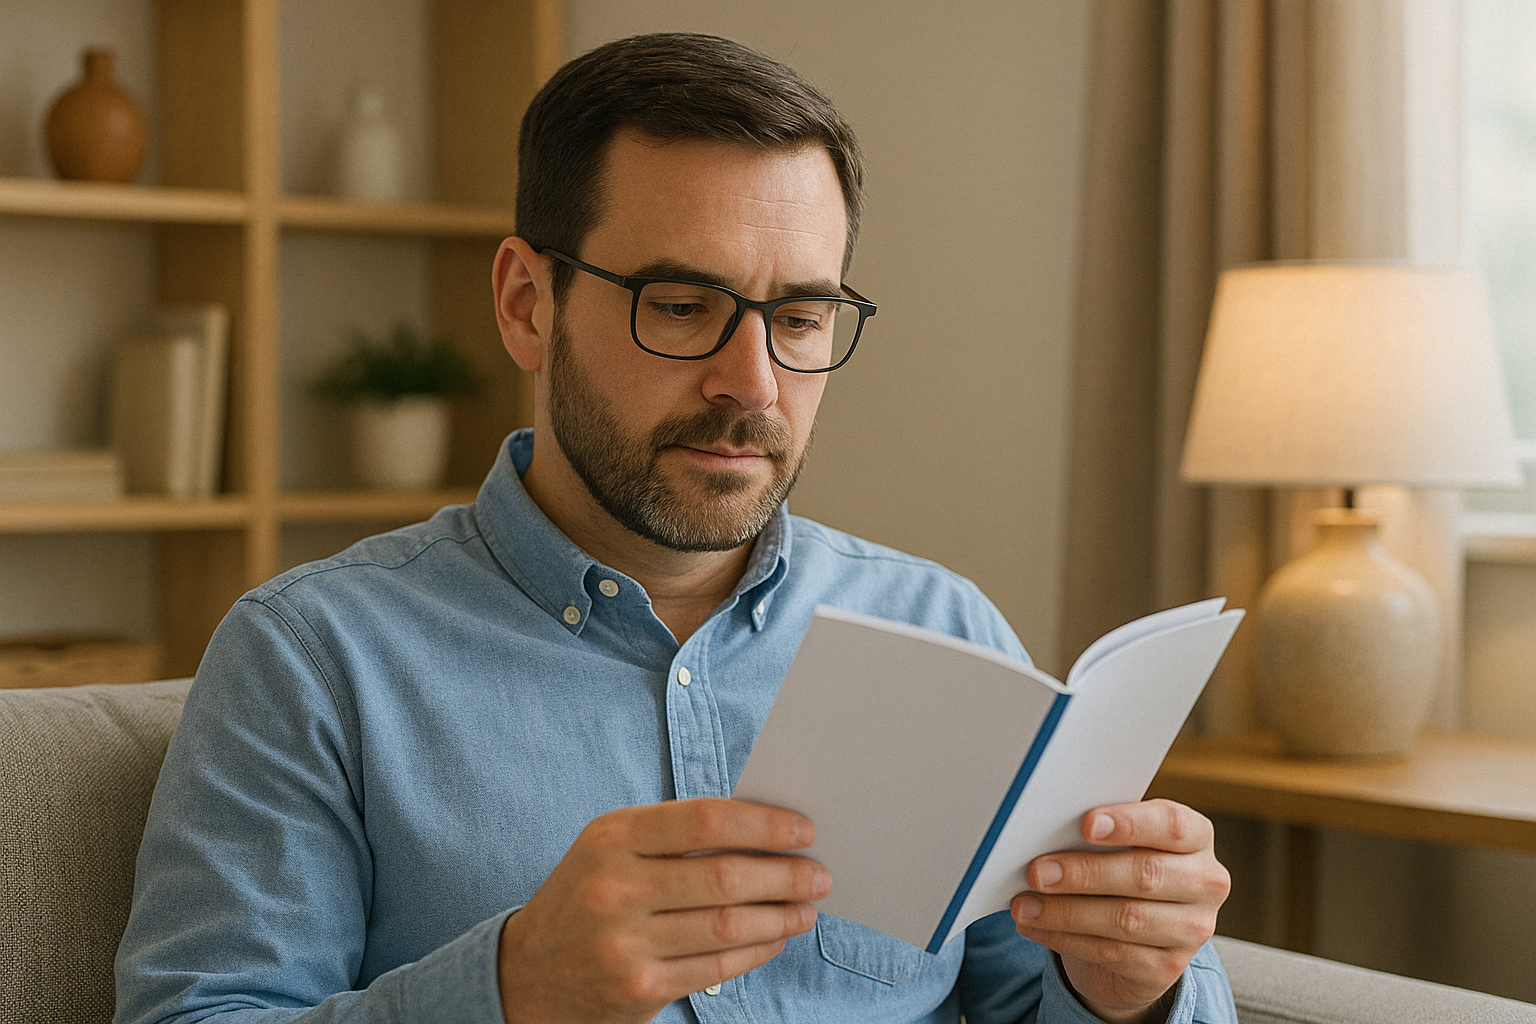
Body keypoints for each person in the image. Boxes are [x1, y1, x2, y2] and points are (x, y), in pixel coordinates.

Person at [115, 33, 1237, 1024]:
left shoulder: (944, 631)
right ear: (526, 304)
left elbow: (1020, 1001)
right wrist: (508, 992)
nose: (749, 381)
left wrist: (1126, 990)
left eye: (799, 315)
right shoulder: (312, 659)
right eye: (683, 306)